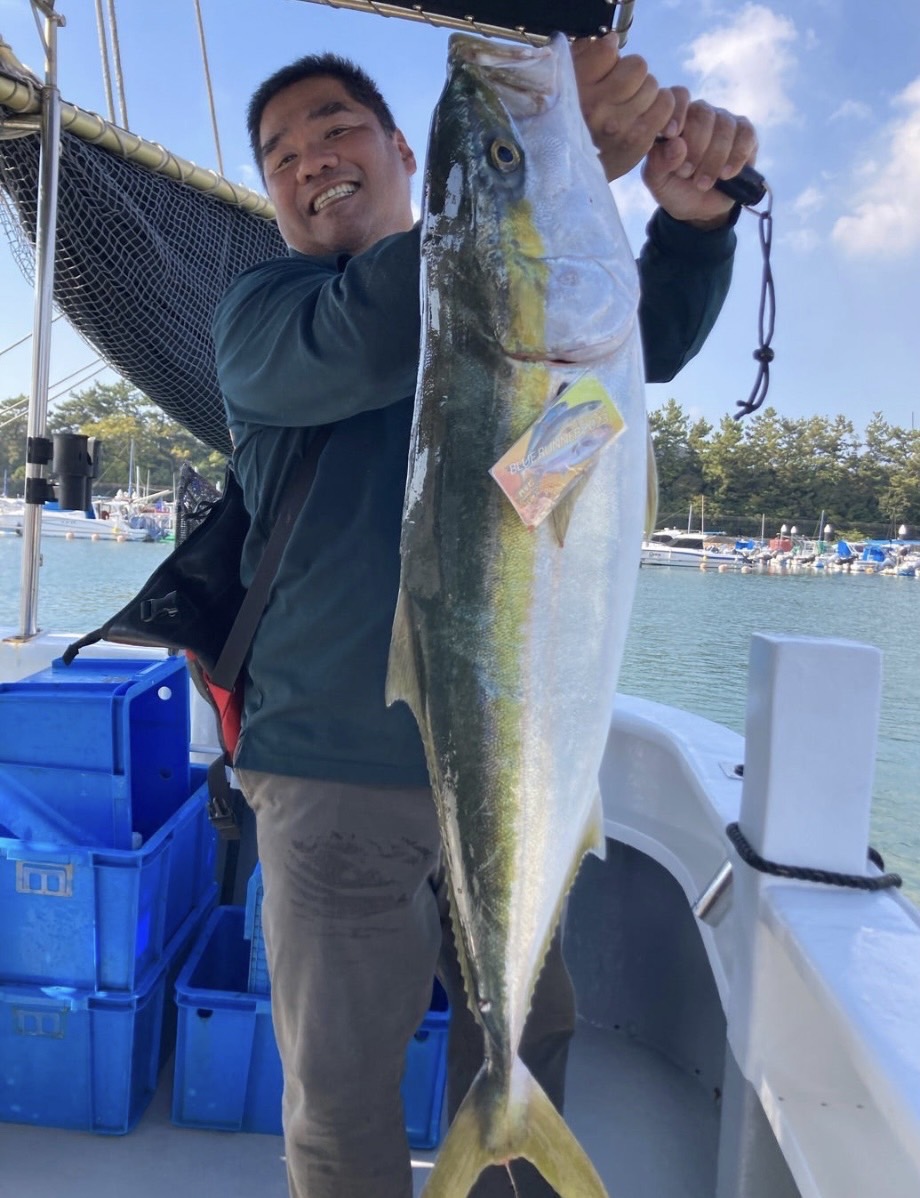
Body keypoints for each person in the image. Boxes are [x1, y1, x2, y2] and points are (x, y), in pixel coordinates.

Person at [212, 34, 757, 1198]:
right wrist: (521, 190)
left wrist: (690, 226)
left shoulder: (505, 307)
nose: (312, 159)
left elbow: (620, 345)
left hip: (516, 763)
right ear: (271, 196)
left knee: (527, 1032)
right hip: (330, 781)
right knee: (339, 1089)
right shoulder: (266, 317)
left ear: (404, 152)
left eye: (337, 129)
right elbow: (376, 326)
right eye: (282, 154)